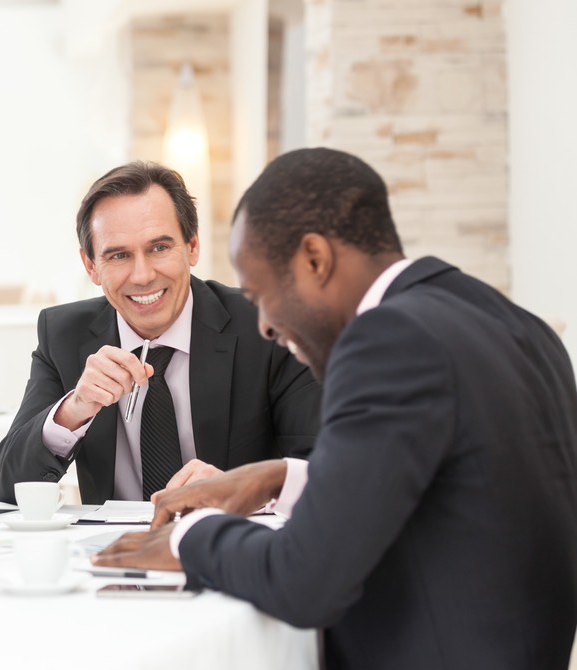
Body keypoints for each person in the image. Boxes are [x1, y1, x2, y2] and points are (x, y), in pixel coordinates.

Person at [93, 148, 577, 669]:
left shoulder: (386, 339)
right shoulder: (515, 323)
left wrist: (189, 538)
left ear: (315, 260)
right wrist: (281, 478)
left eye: (261, 295)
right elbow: (446, 487)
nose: (265, 327)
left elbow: (306, 579)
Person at [0, 161, 321, 504]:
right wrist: (73, 410)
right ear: (91, 266)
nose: (143, 275)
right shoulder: (63, 335)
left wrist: (242, 490)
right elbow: (9, 487)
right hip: (112, 551)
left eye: (159, 248)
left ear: (192, 246)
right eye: (119, 255)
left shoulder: (269, 326)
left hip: (233, 544)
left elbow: (326, 472)